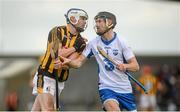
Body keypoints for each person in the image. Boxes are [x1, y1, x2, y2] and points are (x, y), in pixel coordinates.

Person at [60, 11, 139, 111]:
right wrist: (69, 62)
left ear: (110, 23)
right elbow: (79, 62)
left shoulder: (122, 42)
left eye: (100, 21)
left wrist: (125, 66)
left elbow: (135, 66)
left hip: (125, 89)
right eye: (96, 21)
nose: (96, 24)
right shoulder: (93, 43)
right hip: (106, 88)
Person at [31, 8, 88, 111]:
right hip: (46, 74)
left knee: (37, 110)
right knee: (48, 109)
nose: (85, 22)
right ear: (73, 18)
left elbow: (68, 63)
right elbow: (58, 53)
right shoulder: (57, 31)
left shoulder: (82, 42)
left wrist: (65, 59)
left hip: (60, 80)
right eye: (83, 18)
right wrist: (74, 47)